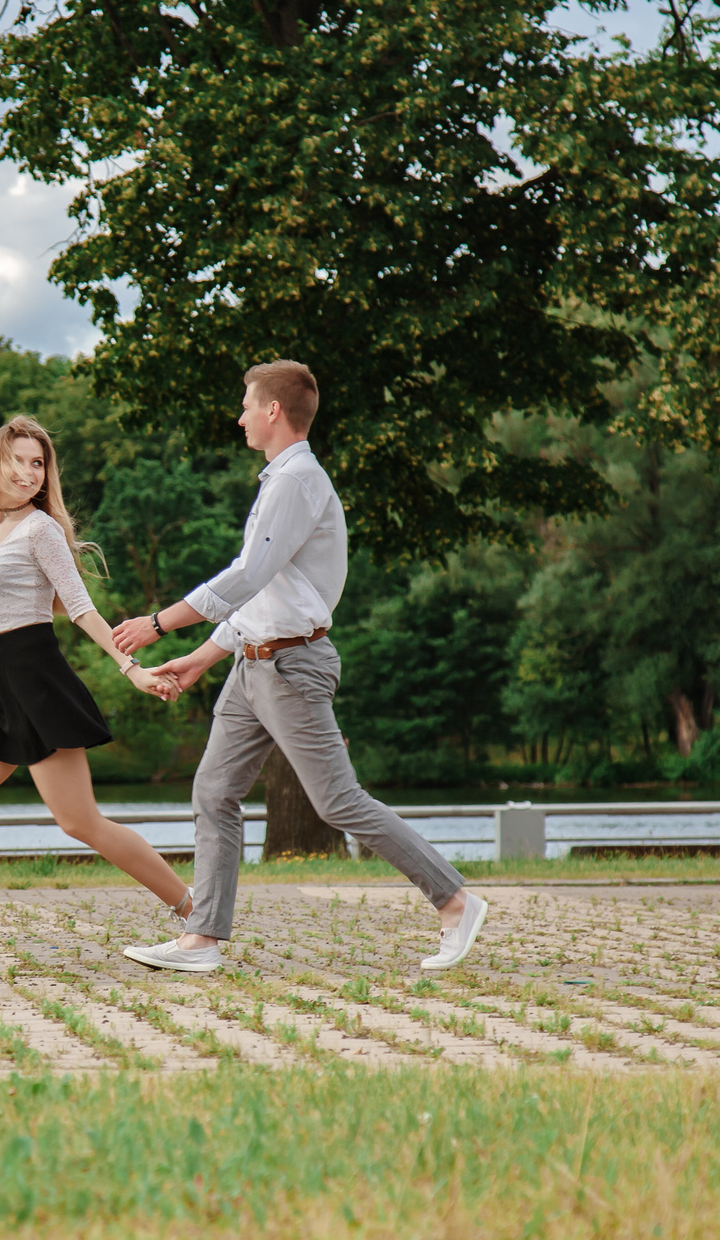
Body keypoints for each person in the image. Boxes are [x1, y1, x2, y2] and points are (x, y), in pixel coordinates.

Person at [111, 361, 489, 973]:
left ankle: (453, 899)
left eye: (245, 405)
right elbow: (265, 597)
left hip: (291, 667)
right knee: (213, 791)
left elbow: (246, 578)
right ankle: (202, 940)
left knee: (338, 801)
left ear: (272, 412)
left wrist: (158, 623)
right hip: (251, 667)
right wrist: (205, 657)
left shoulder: (297, 482)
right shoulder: (278, 481)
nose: (238, 416)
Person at [0, 415, 194, 969]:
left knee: (80, 822)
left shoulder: (41, 530)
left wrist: (132, 670)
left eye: (39, 463)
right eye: (20, 460)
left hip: (41, 686)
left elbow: (81, 610)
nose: (31, 472)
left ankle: (193, 910)